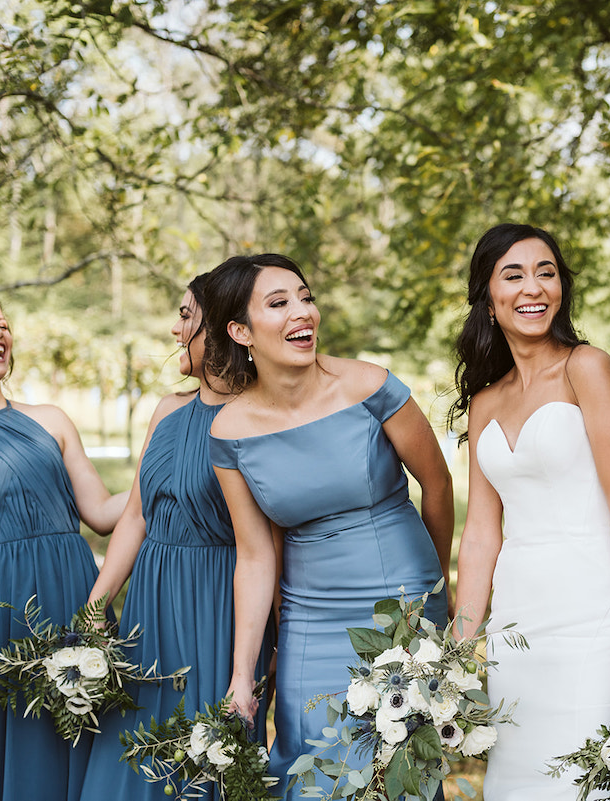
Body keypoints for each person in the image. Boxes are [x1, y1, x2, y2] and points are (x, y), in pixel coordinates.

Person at [203, 254, 452, 798]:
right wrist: (242, 675)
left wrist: (433, 596)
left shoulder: (373, 387)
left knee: (397, 775)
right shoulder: (229, 432)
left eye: (305, 297)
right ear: (240, 331)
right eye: (279, 303)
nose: (302, 312)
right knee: (309, 767)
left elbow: (438, 485)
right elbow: (255, 555)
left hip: (400, 605)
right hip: (309, 617)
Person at [450, 223, 610, 799]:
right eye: (513, 275)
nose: (533, 287)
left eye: (547, 272)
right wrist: (459, 651)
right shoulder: (486, 401)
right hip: (520, 629)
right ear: (488, 299)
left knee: (589, 778)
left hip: (596, 617)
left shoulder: (587, 367)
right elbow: (482, 534)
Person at [79, 273, 274, 799]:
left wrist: (248, 666)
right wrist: (96, 608)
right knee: (127, 762)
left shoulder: (261, 416)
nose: (174, 329)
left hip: (218, 609)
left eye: (186, 316)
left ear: (220, 328)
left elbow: (268, 546)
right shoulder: (167, 411)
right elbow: (137, 517)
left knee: (198, 762)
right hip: (149, 612)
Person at [0, 287, 127, 801]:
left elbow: (103, 514)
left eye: (2, 323)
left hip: (71, 598)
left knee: (75, 733)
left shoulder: (52, 420)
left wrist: (163, 470)